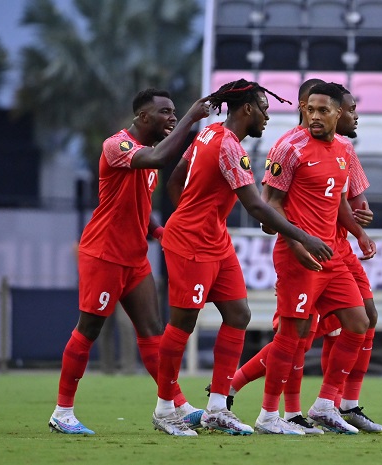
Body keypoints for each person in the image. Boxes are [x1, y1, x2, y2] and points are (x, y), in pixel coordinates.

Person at [151, 79, 334, 437]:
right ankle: (164, 409)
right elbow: (254, 205)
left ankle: (217, 407)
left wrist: (195, 212)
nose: (267, 116)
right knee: (183, 323)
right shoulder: (228, 147)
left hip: (214, 239)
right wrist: (303, 236)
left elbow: (176, 178)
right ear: (248, 109)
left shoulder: (209, 134)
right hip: (191, 242)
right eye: (264, 109)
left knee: (239, 314)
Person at [48, 89, 211, 435]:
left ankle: (176, 405)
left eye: (174, 112)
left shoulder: (149, 154)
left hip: (135, 257)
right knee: (88, 330)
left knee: (153, 332)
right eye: (164, 112)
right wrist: (190, 120)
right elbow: (155, 160)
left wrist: (157, 231)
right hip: (103, 253)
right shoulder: (117, 146)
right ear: (142, 117)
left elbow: (137, 202)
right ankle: (62, 412)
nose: (171, 117)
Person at [226, 83, 382, 434]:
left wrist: (359, 233)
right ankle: (270, 415)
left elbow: (338, 201)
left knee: (359, 321)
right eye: (309, 109)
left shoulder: (344, 148)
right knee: (295, 334)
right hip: (298, 254)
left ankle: (327, 405)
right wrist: (297, 243)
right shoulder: (289, 147)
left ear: (337, 114)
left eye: (322, 110)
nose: (314, 116)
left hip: (331, 254)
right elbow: (270, 202)